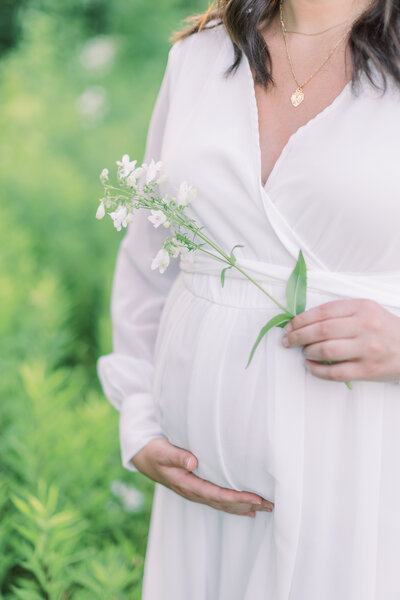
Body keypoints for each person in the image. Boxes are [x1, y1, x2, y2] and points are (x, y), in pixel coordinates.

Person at [97, 0, 400, 597]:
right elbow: (149, 258)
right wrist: (139, 416)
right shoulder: (199, 58)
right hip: (201, 495)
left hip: (359, 469)